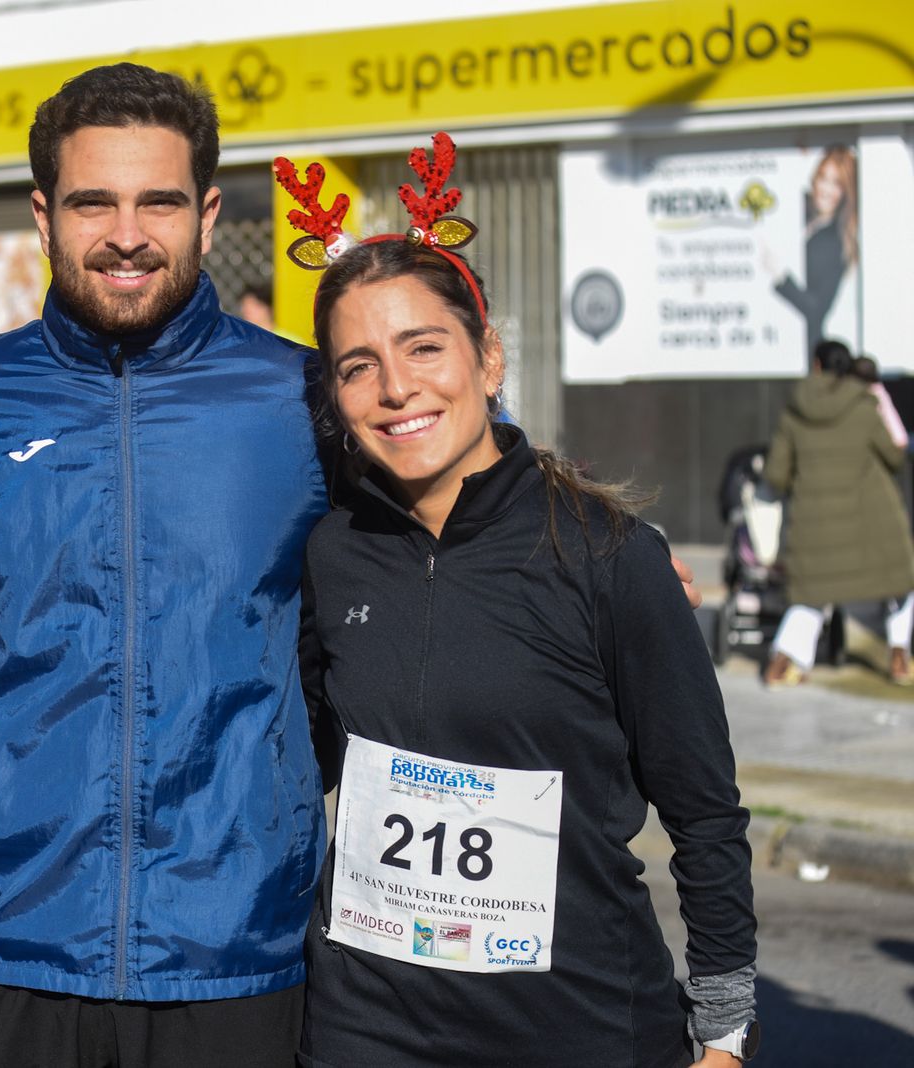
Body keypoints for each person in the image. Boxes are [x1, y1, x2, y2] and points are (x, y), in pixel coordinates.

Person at [0, 63, 329, 1067]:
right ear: (44, 213)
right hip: (4, 946)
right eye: (93, 202)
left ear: (208, 215)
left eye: (157, 202)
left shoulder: (296, 399)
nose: (126, 234)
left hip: (234, 954)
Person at [293, 138, 758, 1068]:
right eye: (358, 366)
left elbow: (705, 817)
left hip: (577, 1026)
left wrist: (724, 1032)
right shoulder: (332, 554)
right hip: (365, 1030)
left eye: (425, 347)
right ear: (336, 397)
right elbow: (296, 760)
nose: (396, 388)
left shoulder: (608, 556)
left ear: (489, 356)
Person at [764, 339, 914, 687]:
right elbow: (893, 457)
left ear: (816, 365)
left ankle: (781, 666)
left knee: (811, 596)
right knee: (902, 584)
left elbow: (776, 474)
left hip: (815, 527)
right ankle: (899, 660)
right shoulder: (865, 404)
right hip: (872, 522)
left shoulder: (794, 410)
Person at [772, 146, 857, 363]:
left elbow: (817, 309)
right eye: (823, 178)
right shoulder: (801, 214)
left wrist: (780, 276)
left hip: (807, 349)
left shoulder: (835, 243)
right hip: (778, 338)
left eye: (836, 183)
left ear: (846, 191)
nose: (826, 189)